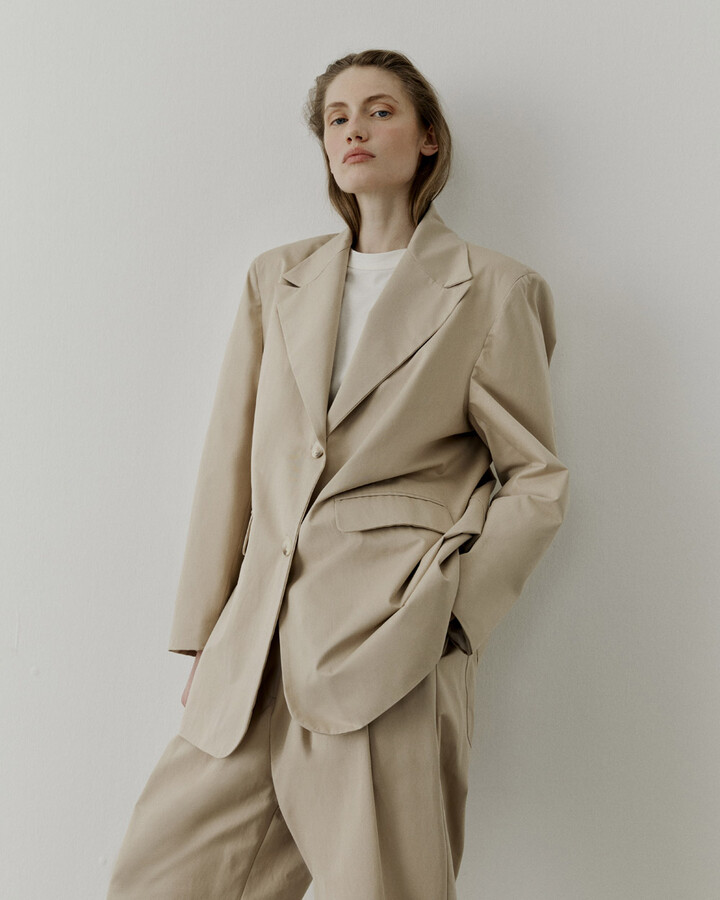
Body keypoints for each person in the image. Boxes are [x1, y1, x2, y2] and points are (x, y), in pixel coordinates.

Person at [106, 48, 569, 899]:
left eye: (381, 110)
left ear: (428, 138)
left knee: (382, 885)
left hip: (386, 644)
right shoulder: (277, 278)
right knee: (160, 878)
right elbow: (232, 462)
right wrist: (208, 634)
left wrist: (449, 616)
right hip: (254, 649)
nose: (355, 129)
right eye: (337, 117)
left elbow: (535, 478)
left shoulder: (494, 290)